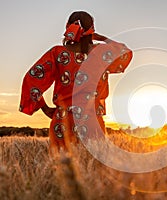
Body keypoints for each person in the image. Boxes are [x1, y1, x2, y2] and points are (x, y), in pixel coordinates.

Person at [19, 11, 133, 153]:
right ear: (92, 29)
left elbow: (31, 80)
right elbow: (125, 53)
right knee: (93, 170)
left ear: (68, 28)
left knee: (61, 170)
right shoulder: (102, 53)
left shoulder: (57, 53)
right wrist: (102, 38)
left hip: (63, 122)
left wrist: (45, 108)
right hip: (92, 122)